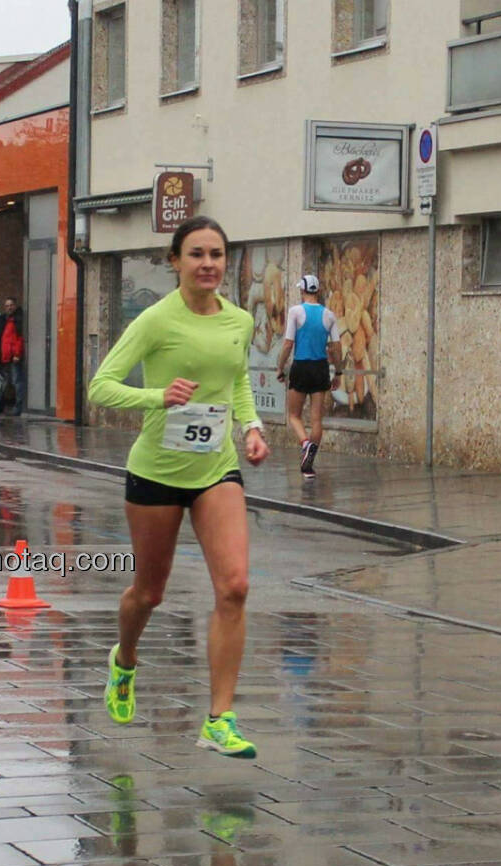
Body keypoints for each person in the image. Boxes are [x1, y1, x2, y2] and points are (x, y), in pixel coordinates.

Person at [88, 215, 270, 759]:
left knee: (235, 586)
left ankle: (220, 718)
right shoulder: (154, 320)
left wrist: (252, 425)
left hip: (216, 466)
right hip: (157, 471)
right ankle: (124, 662)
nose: (208, 264)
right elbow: (101, 387)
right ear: (175, 262)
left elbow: (236, 378)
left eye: (216, 254)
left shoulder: (238, 320)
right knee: (150, 592)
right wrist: (157, 397)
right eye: (196, 254)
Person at [275, 274, 342, 479]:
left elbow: (288, 344)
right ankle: (308, 466)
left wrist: (280, 368)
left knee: (294, 415)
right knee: (316, 420)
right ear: (318, 291)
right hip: (321, 368)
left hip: (301, 365)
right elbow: (337, 347)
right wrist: (338, 372)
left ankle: (305, 444)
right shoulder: (330, 315)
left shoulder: (295, 312)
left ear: (303, 291)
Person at [0, 296, 25, 415]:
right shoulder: (7, 320)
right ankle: (3, 406)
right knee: (8, 382)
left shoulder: (17, 320)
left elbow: (20, 339)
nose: (9, 308)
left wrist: (17, 354)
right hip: (7, 356)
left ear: (15, 305)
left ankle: (19, 407)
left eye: (11, 305)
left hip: (14, 356)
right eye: (7, 306)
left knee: (17, 381)